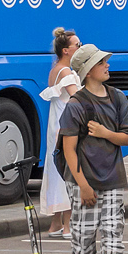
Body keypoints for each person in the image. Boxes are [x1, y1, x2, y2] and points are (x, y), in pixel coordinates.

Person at [59, 44, 128, 254]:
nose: (107, 65)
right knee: (83, 236)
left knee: (113, 234)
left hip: (112, 178)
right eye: (101, 62)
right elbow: (68, 150)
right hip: (85, 182)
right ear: (88, 71)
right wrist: (83, 185)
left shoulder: (118, 98)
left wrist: (105, 133)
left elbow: (126, 138)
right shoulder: (76, 105)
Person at [36, 28, 80, 238]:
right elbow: (76, 97)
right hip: (66, 126)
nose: (79, 48)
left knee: (57, 171)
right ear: (66, 50)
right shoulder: (66, 73)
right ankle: (68, 226)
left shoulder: (55, 70)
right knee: (69, 173)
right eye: (77, 46)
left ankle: (55, 224)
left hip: (56, 126)